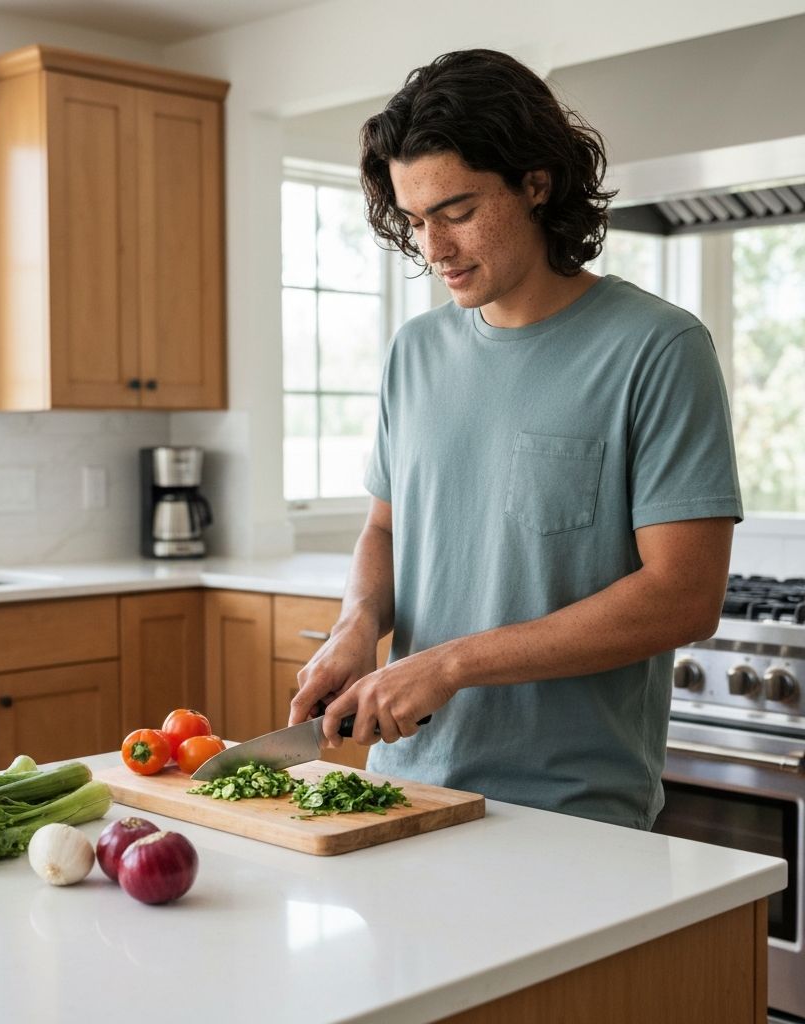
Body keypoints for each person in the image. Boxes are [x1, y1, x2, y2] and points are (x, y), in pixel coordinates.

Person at [288, 49, 742, 830]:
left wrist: (452, 664)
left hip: (572, 815)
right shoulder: (415, 352)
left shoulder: (658, 349)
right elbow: (387, 527)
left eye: (457, 211)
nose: (433, 249)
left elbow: (685, 597)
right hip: (403, 794)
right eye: (416, 219)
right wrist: (357, 627)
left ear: (537, 182)